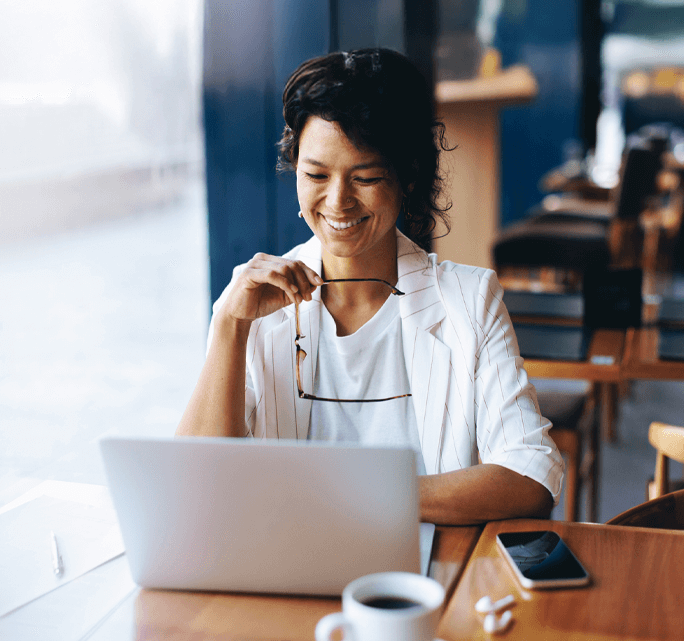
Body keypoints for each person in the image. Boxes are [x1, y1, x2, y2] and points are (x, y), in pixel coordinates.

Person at [177, 48, 562, 524]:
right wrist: (228, 325)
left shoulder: (469, 300)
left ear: (408, 177)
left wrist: (359, 495)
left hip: (421, 579)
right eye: (316, 174)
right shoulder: (255, 304)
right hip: (285, 574)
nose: (337, 201)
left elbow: (531, 475)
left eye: (366, 177)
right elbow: (194, 489)